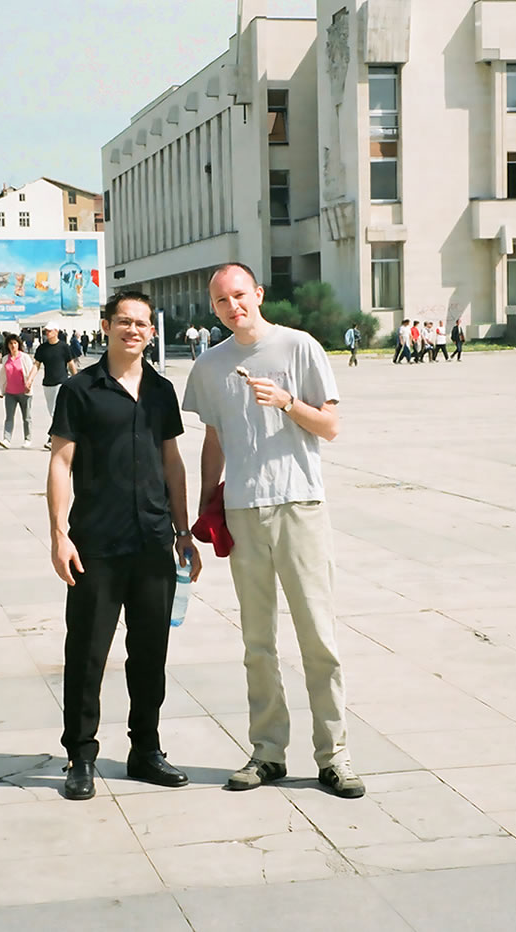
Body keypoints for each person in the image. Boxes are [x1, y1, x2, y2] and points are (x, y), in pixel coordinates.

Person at [183, 262, 364, 800]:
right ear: (212, 308)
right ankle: (267, 752)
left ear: (258, 294)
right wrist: (204, 506)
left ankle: (335, 756)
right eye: (221, 301)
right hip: (242, 510)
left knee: (318, 638)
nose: (232, 306)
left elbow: (330, 427)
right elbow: (213, 439)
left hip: (299, 504)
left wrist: (287, 402)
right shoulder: (210, 365)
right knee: (257, 641)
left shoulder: (299, 347)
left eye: (240, 295)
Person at [46, 290, 200, 801]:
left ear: (152, 332)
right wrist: (59, 535)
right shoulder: (80, 389)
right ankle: (80, 755)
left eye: (142, 323)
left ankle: (146, 750)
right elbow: (60, 463)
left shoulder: (161, 390)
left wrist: (184, 530)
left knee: (150, 651)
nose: (133, 330)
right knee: (87, 653)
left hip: (154, 541)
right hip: (96, 542)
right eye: (124, 322)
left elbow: (172, 462)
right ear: (106, 326)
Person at [35, 321, 79, 450]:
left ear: (56, 332)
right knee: (52, 412)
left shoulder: (64, 347)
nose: (47, 333)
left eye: (49, 331)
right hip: (47, 383)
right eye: (46, 331)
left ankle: (52, 438)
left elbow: (71, 364)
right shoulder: (42, 348)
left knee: (56, 411)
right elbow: (36, 365)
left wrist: (76, 379)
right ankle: (63, 435)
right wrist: (29, 379)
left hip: (62, 382)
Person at [0, 334, 36, 448]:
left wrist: (29, 384)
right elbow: (2, 376)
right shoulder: (5, 359)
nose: (13, 345)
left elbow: (30, 373)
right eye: (10, 343)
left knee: (26, 417)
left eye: (15, 343)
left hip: (25, 392)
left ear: (18, 344)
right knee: (9, 417)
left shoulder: (24, 357)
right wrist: (1, 390)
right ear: (7, 345)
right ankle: (6, 439)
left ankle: (28, 439)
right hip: (10, 393)